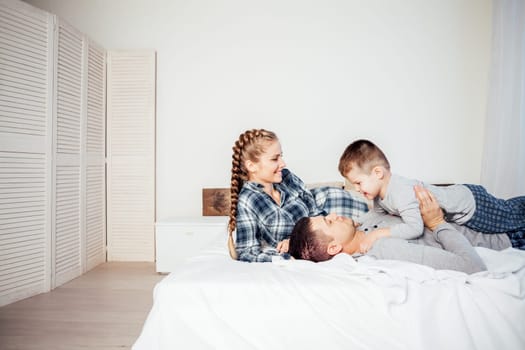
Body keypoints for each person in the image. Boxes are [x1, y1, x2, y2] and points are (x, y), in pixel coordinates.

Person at [337, 139, 525, 253]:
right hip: (460, 208)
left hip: (471, 204)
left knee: (513, 216)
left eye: (358, 183)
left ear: (377, 173)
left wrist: (377, 234)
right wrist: (356, 222)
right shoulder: (380, 196)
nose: (357, 189)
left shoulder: (401, 192)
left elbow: (415, 228)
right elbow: (376, 214)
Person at [288, 186, 517, 274]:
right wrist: (437, 224)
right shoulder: (385, 248)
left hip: (483, 210)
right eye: (329, 222)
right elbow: (472, 267)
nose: (333, 214)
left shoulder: (365, 225)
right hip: (505, 235)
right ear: (335, 247)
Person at [227, 129, 368, 262]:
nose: (283, 163)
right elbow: (247, 251)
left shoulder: (287, 178)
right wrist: (289, 251)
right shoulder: (248, 201)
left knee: (378, 214)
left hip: (333, 205)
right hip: (329, 230)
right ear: (252, 166)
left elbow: (316, 214)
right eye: (275, 159)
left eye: (281, 156)